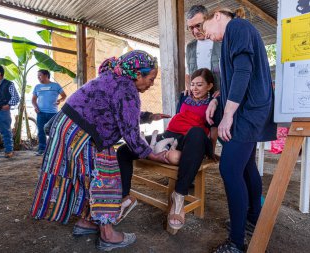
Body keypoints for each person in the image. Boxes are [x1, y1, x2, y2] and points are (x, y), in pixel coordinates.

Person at [30, 50, 167, 251]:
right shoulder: (126, 89)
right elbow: (130, 131)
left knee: (88, 177)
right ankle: (107, 235)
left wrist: (147, 116)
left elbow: (117, 111)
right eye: (151, 78)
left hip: (69, 128)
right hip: (83, 134)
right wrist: (150, 154)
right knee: (106, 178)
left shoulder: (114, 78)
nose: (152, 84)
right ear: (138, 74)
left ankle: (86, 222)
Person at [203, 7, 277, 253]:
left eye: (204, 30)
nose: (207, 37)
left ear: (217, 16)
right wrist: (217, 98)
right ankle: (253, 217)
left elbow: (243, 72)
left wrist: (227, 115)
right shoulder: (236, 34)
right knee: (246, 166)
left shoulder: (237, 27)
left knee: (229, 168)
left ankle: (236, 242)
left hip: (248, 111)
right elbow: (236, 76)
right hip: (251, 109)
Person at [116, 68, 219, 228]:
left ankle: (179, 196)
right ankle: (124, 197)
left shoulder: (215, 101)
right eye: (193, 84)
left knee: (197, 132)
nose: (195, 88)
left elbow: (214, 129)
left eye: (200, 85)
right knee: (123, 150)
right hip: (170, 136)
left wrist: (210, 152)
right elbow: (180, 112)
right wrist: (189, 86)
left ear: (210, 86)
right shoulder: (184, 96)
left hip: (193, 141)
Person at [186, 5, 222, 91]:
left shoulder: (221, 42)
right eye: (191, 27)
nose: (195, 31)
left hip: (219, 98)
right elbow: (187, 74)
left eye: (198, 25)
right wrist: (189, 89)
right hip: (199, 101)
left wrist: (222, 91)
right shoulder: (190, 47)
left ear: (207, 20)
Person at [32, 69, 67, 156]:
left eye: (40, 75)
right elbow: (33, 100)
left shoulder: (56, 86)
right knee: (41, 131)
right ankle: (42, 149)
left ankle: (54, 149)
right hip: (41, 113)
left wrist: (60, 100)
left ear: (46, 75)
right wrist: (36, 107)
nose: (38, 77)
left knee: (54, 131)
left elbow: (64, 96)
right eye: (37, 76)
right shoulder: (37, 87)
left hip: (53, 113)